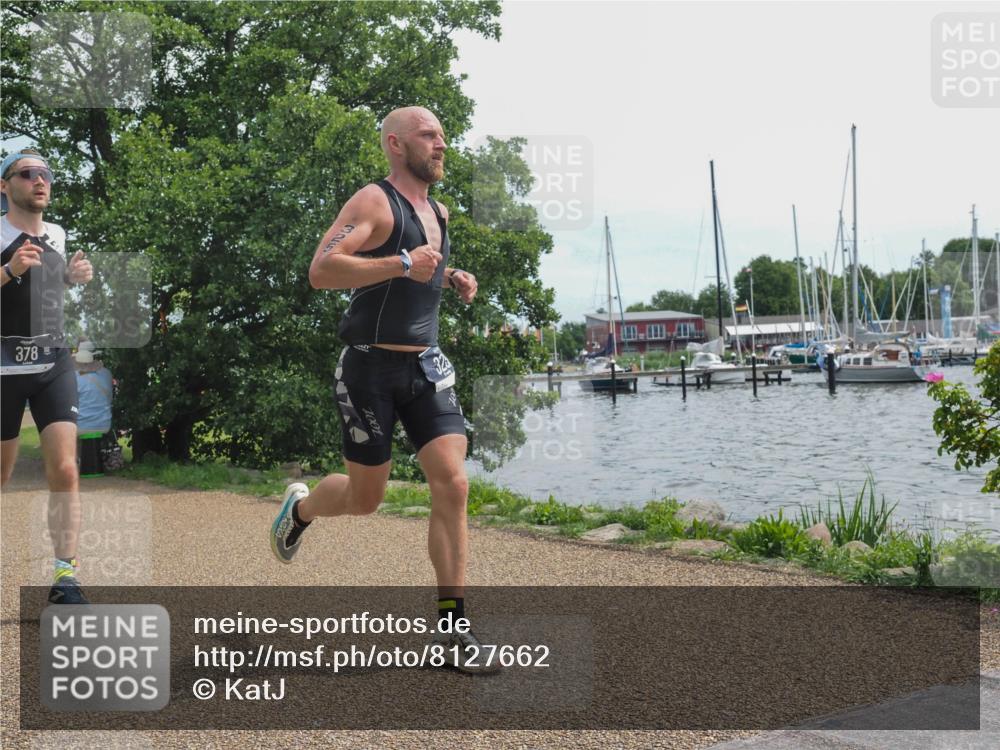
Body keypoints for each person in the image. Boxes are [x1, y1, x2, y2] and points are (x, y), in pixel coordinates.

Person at [269, 107, 494, 673]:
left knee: (454, 483)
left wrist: (450, 276)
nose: (441, 144)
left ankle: (452, 629)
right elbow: (323, 270)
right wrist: (400, 262)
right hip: (368, 370)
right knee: (366, 500)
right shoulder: (372, 201)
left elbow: (422, 269)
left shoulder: (438, 210)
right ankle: (301, 510)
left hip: (426, 368)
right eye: (428, 135)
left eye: (442, 135)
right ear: (396, 144)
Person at [1, 149, 93, 603]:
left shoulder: (56, 232)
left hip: (52, 359)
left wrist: (72, 279)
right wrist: (8, 270)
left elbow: (45, 292)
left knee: (65, 467)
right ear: (5, 186)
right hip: (2, 366)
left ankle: (65, 578)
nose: (40, 181)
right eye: (28, 174)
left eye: (46, 174)